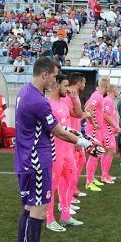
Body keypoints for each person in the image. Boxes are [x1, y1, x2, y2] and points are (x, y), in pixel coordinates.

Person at [12, 57, 102, 242]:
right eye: (53, 76)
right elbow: (59, 131)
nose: (55, 80)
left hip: (24, 160)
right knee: (38, 213)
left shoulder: (24, 91)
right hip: (37, 162)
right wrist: (85, 143)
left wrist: (83, 138)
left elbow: (59, 126)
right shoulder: (39, 102)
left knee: (27, 208)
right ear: (44, 74)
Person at [46, 74, 83, 232]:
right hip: (54, 152)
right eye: (66, 86)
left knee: (71, 179)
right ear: (56, 86)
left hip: (67, 150)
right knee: (52, 187)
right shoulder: (47, 104)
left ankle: (66, 216)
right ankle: (49, 220)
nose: (68, 89)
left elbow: (79, 114)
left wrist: (74, 99)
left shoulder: (63, 102)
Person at [62, 73, 88, 200]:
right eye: (83, 83)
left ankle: (73, 190)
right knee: (68, 169)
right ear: (78, 83)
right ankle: (67, 196)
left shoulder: (74, 96)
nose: (84, 85)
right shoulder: (68, 97)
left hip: (76, 135)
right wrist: (75, 140)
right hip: (70, 137)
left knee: (80, 161)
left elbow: (77, 115)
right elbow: (72, 118)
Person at [84, 78, 110, 191]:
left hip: (96, 129)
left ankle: (91, 178)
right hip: (93, 130)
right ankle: (89, 182)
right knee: (94, 155)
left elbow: (88, 106)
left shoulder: (98, 96)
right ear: (106, 87)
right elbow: (87, 107)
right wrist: (93, 122)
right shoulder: (97, 96)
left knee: (97, 154)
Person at [101, 84, 121, 181]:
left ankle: (105, 174)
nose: (118, 91)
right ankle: (104, 175)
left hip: (109, 130)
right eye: (117, 89)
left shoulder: (109, 101)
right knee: (110, 151)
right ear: (113, 90)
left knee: (107, 151)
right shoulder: (108, 101)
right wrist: (115, 126)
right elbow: (105, 115)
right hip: (107, 130)